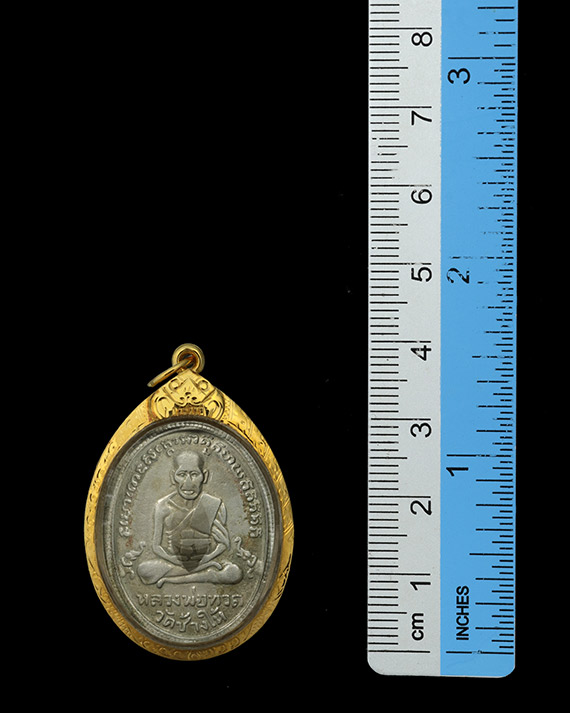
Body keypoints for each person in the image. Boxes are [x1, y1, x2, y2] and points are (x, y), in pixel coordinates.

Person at [137, 451, 242, 587]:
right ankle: (205, 574)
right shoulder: (163, 506)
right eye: (181, 475)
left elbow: (222, 544)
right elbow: (156, 547)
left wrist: (209, 557)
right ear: (173, 477)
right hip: (176, 562)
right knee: (144, 569)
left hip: (204, 559)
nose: (188, 483)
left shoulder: (213, 504)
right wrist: (173, 560)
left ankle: (177, 577)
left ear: (205, 476)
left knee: (235, 572)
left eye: (194, 474)